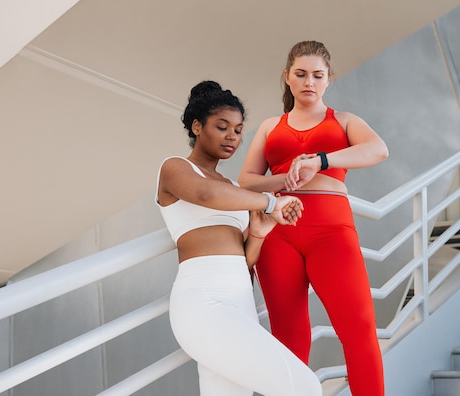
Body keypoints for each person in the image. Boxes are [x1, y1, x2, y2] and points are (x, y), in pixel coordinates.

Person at [238, 40, 389, 395]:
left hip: (331, 230)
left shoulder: (345, 120)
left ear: (328, 79)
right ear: (287, 78)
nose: (309, 82)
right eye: (301, 74)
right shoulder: (269, 125)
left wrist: (320, 161)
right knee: (288, 334)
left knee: (358, 326)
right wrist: (287, 176)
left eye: (317, 76)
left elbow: (378, 150)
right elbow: (246, 180)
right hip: (277, 230)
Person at [156, 80, 322, 396]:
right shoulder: (175, 168)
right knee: (305, 388)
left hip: (240, 302)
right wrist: (271, 202)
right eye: (222, 127)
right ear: (196, 126)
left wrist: (259, 232)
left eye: (238, 129)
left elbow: (244, 262)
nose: (233, 136)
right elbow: (205, 194)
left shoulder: (232, 186)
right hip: (203, 302)